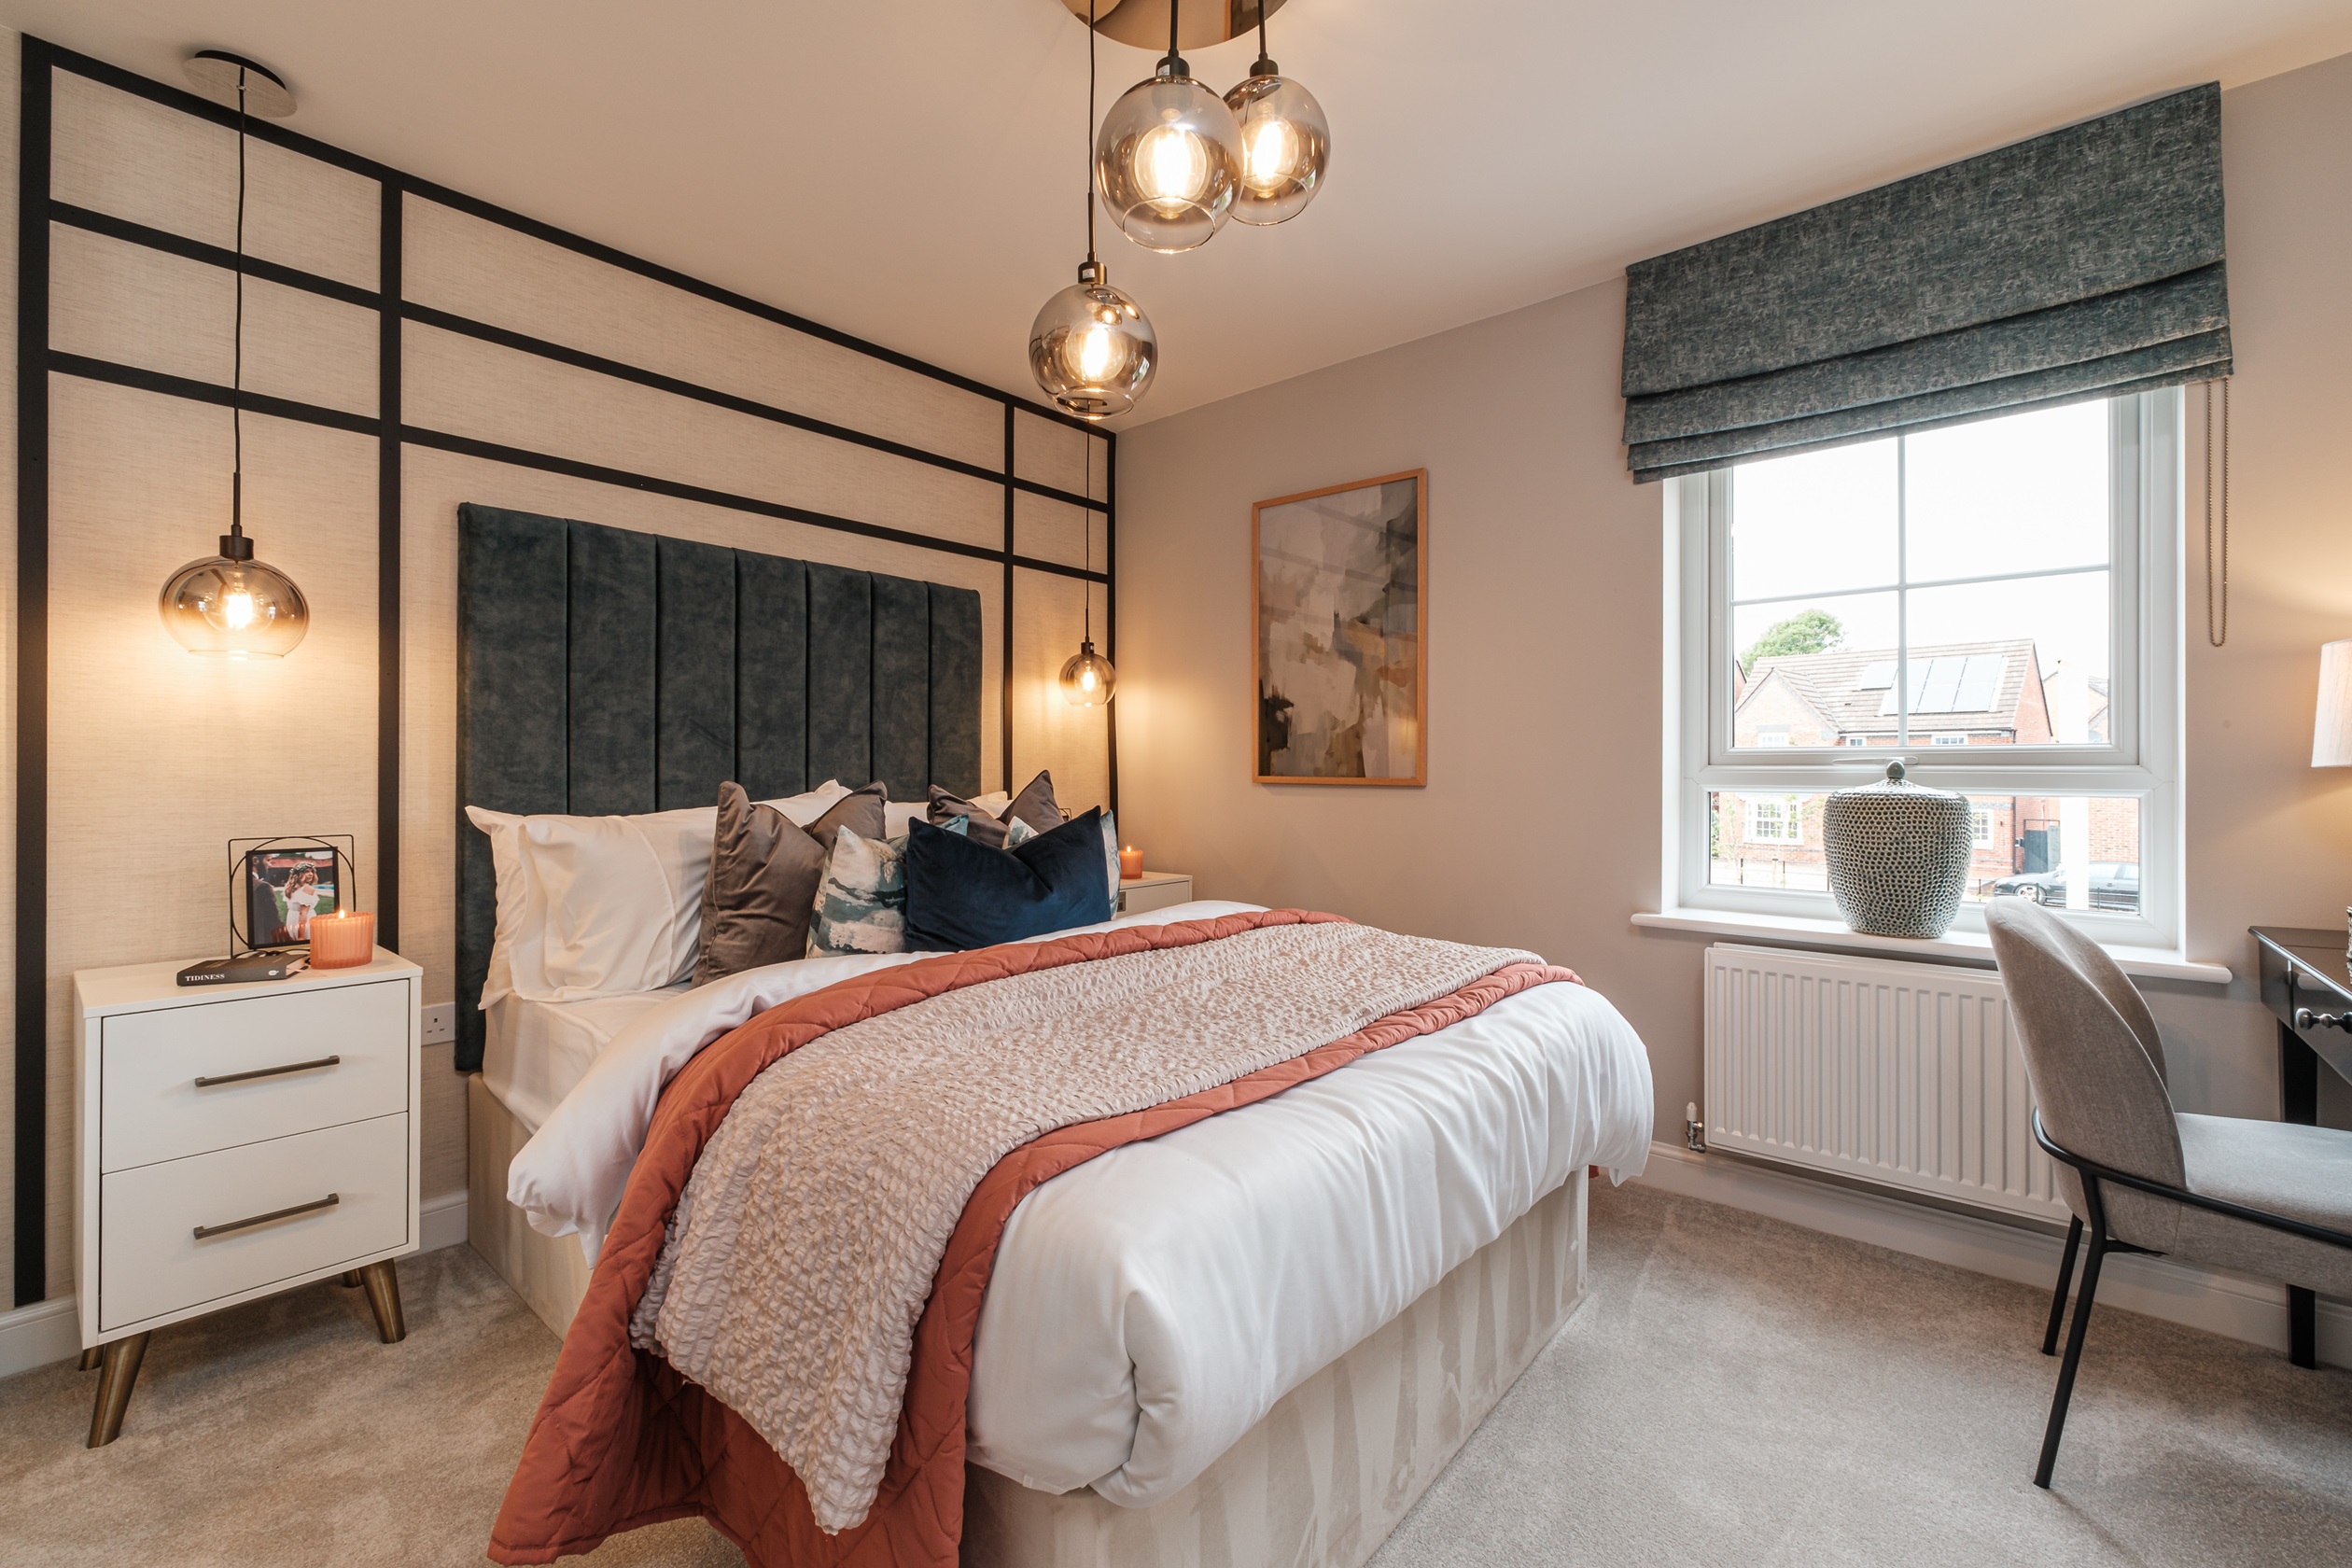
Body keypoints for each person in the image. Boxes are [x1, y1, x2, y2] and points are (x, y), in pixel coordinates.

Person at [284, 865, 323, 943]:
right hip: (305, 922)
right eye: (306, 872)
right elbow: (302, 913)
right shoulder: (308, 889)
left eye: (312, 871)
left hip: (292, 920)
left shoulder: (290, 887)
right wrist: (301, 936)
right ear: (298, 874)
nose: (311, 874)